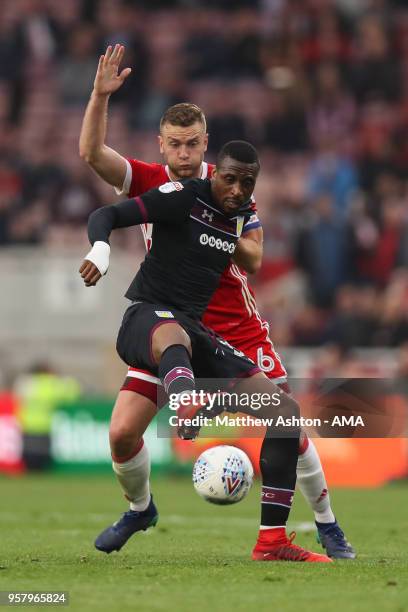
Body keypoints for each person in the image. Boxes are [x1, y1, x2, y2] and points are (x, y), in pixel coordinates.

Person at [79, 44, 355, 559]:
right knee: (120, 434)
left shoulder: (228, 186)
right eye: (174, 146)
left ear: (205, 144)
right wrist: (99, 97)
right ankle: (141, 509)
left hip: (234, 327)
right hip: (167, 323)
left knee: (286, 424)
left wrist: (220, 221)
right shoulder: (154, 183)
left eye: (192, 145)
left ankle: (326, 522)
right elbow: (94, 157)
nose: (183, 155)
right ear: (161, 146)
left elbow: (252, 256)